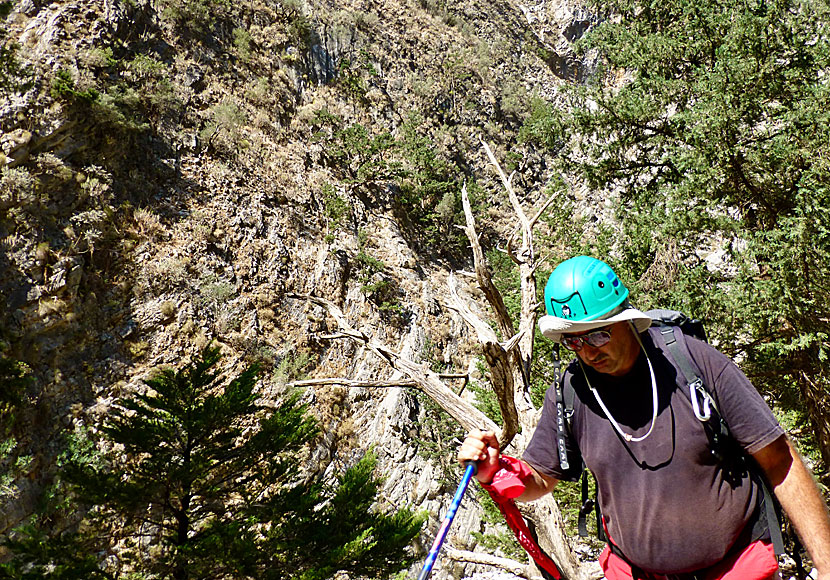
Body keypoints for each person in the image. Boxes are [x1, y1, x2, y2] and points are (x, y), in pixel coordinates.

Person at [457, 256, 830, 580]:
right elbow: (541, 479)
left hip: (734, 568)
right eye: (573, 340)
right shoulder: (571, 389)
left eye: (598, 335)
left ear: (627, 322)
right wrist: (497, 470)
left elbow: (780, 460)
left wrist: (826, 564)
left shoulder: (693, 362)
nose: (587, 352)